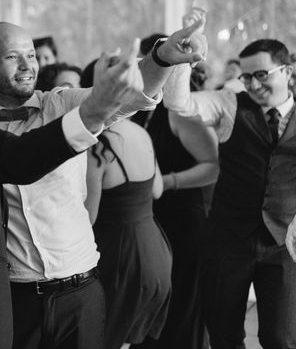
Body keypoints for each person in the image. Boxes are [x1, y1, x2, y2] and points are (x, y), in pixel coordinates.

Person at [0, 11, 207, 349]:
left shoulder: (61, 103)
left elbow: (130, 96)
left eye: (30, 55)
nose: (27, 65)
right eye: (12, 56)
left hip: (81, 291)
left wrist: (162, 58)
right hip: (10, 298)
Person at [164, 36, 296, 348]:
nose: (252, 84)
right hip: (227, 242)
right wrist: (184, 59)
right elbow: (177, 102)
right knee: (224, 336)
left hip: (285, 246)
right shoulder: (229, 104)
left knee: (281, 338)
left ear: (287, 71)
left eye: (261, 74)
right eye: (246, 76)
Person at [82, 61, 172, 349]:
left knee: (106, 337)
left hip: (121, 257)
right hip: (155, 250)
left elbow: (89, 217)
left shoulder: (98, 145)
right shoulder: (141, 133)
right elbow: (156, 190)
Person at [133, 62, 219, 349]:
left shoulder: (181, 113)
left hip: (182, 217)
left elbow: (214, 166)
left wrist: (167, 182)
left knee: (181, 303)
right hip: (148, 217)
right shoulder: (136, 110)